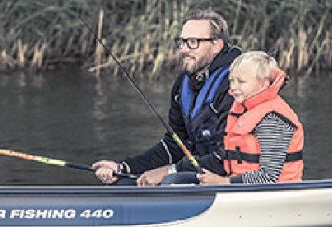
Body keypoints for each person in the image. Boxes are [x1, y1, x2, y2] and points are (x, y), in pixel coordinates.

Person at [92, 10, 241, 186]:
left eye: (193, 42)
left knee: (172, 180)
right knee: (124, 183)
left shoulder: (237, 84)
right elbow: (175, 145)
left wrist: (169, 171)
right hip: (197, 169)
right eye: (182, 42)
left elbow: (227, 154)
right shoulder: (183, 84)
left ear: (217, 45)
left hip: (228, 174)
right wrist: (125, 168)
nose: (184, 49)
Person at [199, 50, 304, 185]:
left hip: (275, 192)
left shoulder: (273, 119)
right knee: (178, 179)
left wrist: (224, 182)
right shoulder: (244, 111)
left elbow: (269, 177)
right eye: (231, 81)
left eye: (241, 82)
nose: (233, 87)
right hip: (242, 186)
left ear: (263, 84)